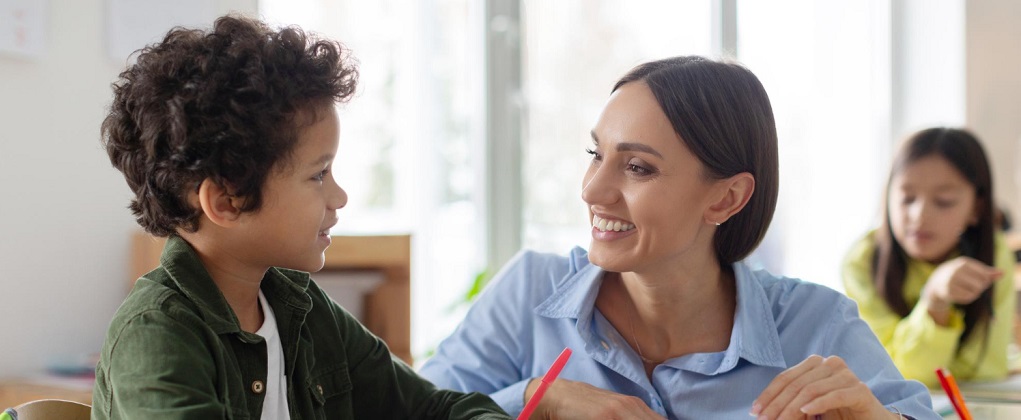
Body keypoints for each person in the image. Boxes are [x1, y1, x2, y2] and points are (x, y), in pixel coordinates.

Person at [419, 56, 937, 419]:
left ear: (726, 199)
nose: (593, 189)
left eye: (638, 167)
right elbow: (408, 409)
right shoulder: (529, 294)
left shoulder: (816, 328)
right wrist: (539, 398)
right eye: (595, 154)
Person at [92, 14, 509, 420]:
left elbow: (438, 409)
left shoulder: (304, 310)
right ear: (225, 201)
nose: (340, 197)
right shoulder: (155, 335)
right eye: (319, 175)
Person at [842, 127, 1016, 388]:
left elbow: (985, 369)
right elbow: (890, 374)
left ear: (977, 208)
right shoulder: (863, 261)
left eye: (944, 201)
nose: (920, 216)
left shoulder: (994, 253)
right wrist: (934, 301)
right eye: (907, 198)